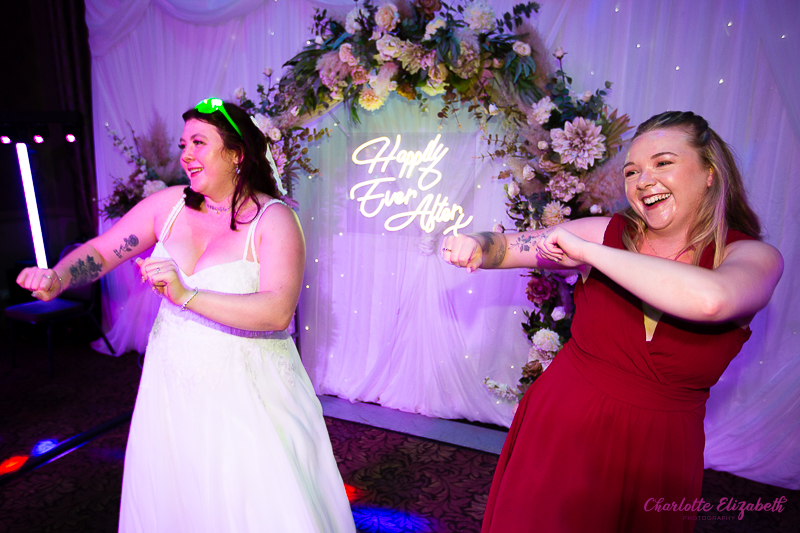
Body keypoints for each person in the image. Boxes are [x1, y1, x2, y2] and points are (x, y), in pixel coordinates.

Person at [17, 99, 356, 533]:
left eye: (199, 142)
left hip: (248, 392)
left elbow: (275, 311)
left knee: (250, 500)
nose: (186, 155)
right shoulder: (169, 205)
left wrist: (186, 294)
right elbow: (105, 251)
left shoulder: (275, 220)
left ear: (236, 154)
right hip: (171, 386)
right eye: (183, 144)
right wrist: (58, 277)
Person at [441, 111, 783, 533]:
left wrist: (590, 254)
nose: (643, 180)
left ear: (710, 172)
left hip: (660, 454)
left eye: (663, 163)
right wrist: (476, 244)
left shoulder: (753, 258)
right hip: (563, 427)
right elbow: (507, 247)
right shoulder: (602, 231)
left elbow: (711, 300)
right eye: (632, 171)